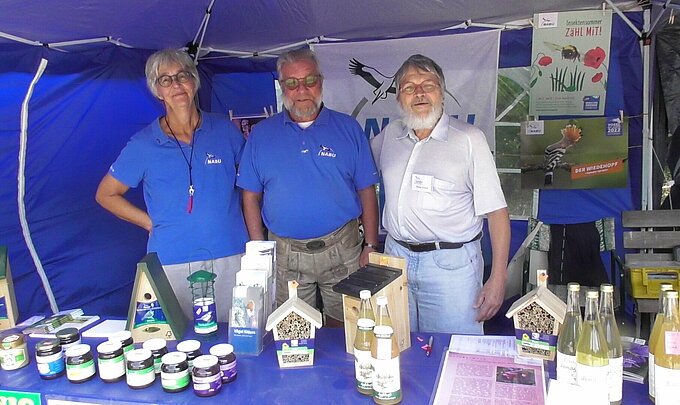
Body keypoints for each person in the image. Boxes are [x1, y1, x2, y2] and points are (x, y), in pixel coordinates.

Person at [95, 49, 248, 323]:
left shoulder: (225, 130)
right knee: (181, 345)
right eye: (165, 80)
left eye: (182, 76)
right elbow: (106, 194)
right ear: (157, 91)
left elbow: (251, 183)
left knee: (235, 340)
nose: (176, 85)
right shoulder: (143, 144)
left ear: (194, 81)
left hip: (231, 253)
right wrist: (149, 222)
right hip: (172, 260)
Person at [237, 48, 380, 327]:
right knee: (293, 330)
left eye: (309, 80)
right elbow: (250, 197)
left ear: (321, 82)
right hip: (286, 253)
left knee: (348, 327)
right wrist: (258, 250)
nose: (301, 89)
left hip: (343, 248)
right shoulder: (261, 135)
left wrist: (371, 245)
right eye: (291, 83)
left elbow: (367, 190)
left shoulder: (348, 129)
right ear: (281, 87)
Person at [371, 54, 510, 335]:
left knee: (454, 352)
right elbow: (359, 179)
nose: (419, 93)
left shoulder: (469, 140)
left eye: (428, 85)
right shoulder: (387, 137)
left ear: (443, 93)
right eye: (409, 87)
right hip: (396, 261)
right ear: (399, 97)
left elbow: (496, 213)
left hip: (452, 267)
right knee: (396, 347)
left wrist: (497, 280)